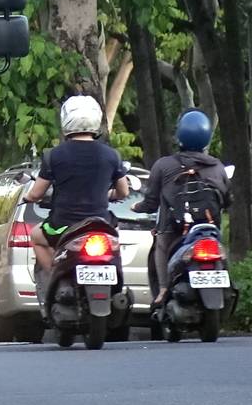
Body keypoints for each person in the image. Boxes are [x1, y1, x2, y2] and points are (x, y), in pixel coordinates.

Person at [23, 95, 130, 316]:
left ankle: (56, 272)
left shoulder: (54, 155)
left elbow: (36, 193)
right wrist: (106, 194)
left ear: (66, 120)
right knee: (115, 245)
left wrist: (28, 198)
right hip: (101, 225)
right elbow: (123, 192)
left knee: (36, 237)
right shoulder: (111, 155)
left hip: (62, 226)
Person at [137, 109, 231, 307]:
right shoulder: (218, 167)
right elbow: (226, 199)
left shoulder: (164, 165)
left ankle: (163, 289)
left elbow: (151, 202)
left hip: (175, 229)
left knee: (161, 244)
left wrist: (137, 207)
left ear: (179, 134)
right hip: (209, 228)